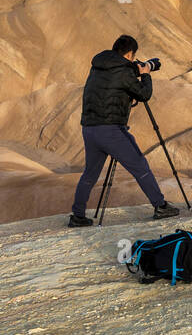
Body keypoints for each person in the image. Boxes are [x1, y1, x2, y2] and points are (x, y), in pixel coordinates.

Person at [67, 34, 180, 227]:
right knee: (140, 166)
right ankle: (160, 206)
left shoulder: (97, 67)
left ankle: (77, 216)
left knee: (90, 173)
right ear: (129, 54)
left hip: (89, 128)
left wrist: (133, 70)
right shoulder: (123, 72)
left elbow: (114, 80)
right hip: (111, 130)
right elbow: (144, 95)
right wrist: (145, 74)